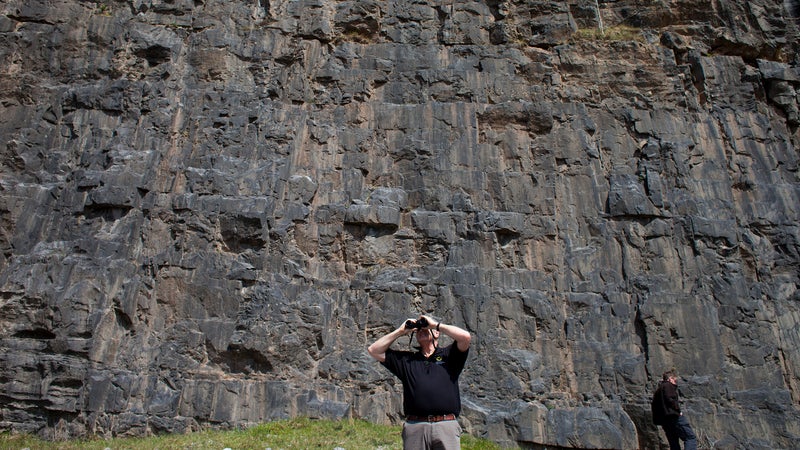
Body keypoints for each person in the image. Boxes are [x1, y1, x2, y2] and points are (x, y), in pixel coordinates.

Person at [367, 314, 472, 450]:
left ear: (436, 333)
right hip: (415, 426)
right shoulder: (408, 361)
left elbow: (465, 338)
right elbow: (374, 350)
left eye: (425, 327)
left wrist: (435, 325)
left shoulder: (450, 355)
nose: (421, 330)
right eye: (419, 329)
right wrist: (400, 331)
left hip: (445, 425)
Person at [652, 369, 698, 450]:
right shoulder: (667, 386)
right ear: (669, 379)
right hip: (674, 417)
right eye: (674, 379)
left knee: (674, 443)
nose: (675, 382)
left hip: (665, 421)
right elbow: (670, 399)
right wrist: (678, 411)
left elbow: (654, 406)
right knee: (690, 438)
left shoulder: (658, 391)